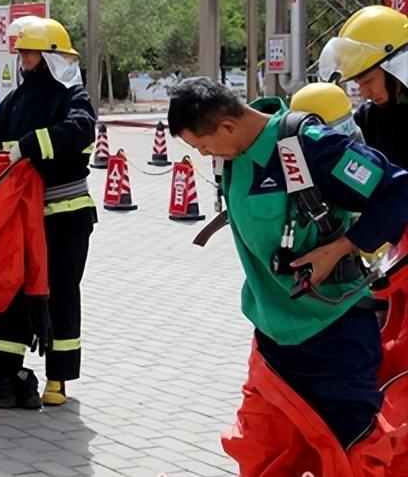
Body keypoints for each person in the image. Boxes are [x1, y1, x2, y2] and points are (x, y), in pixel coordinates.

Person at [168, 77, 408, 447]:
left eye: (201, 145)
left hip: (334, 337)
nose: (203, 154)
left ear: (227, 125)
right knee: (262, 450)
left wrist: (341, 247)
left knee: (355, 453)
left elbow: (398, 191)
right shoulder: (235, 156)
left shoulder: (309, 146)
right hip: (273, 339)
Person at [0, 16, 97, 409]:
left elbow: (80, 132)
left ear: (50, 57)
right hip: (19, 217)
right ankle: (5, 373)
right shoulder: (17, 99)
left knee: (60, 294)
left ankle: (58, 378)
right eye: (20, 52)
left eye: (29, 53)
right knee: (12, 292)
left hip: (64, 215)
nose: (22, 59)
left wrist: (30, 145)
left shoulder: (73, 97)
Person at [319, 5, 408, 169]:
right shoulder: (368, 119)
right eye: (358, 83)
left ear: (396, 67)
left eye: (368, 81)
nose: (364, 93)